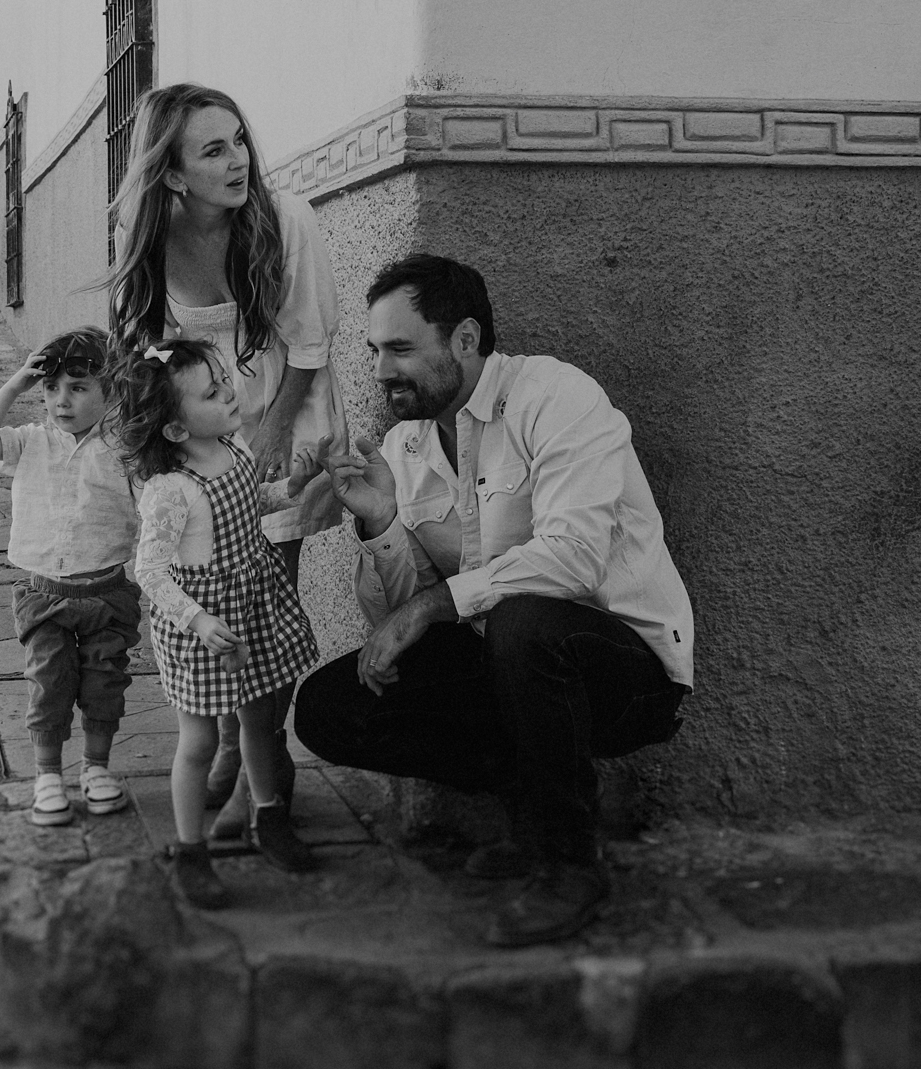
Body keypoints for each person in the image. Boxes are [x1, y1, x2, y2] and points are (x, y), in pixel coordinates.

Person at [294, 254, 693, 948]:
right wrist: (382, 524)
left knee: (522, 620)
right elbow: (399, 619)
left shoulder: (555, 397)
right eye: (374, 350)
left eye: (399, 349)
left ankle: (570, 867)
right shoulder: (405, 444)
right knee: (331, 707)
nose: (382, 369)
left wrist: (429, 607)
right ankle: (536, 807)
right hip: (509, 670)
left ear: (466, 340)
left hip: (620, 674)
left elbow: (572, 558)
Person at [109, 83, 347, 832]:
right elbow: (139, 348)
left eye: (238, 139)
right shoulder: (143, 231)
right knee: (202, 596)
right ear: (173, 173)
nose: (238, 160)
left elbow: (308, 342)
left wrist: (271, 438)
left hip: (283, 411)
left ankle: (258, 771)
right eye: (214, 149)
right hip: (197, 430)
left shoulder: (286, 221)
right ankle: (222, 752)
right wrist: (149, 456)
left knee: (263, 603)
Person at [110, 338, 322, 909]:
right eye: (212, 391)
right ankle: (189, 850)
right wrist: (199, 620)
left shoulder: (235, 447)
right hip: (198, 624)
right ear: (176, 431)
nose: (230, 391)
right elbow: (148, 570)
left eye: (223, 378)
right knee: (200, 740)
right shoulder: (170, 491)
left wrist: (292, 489)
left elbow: (250, 504)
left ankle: (268, 815)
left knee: (259, 719)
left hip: (252, 603)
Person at [0, 327, 140, 829]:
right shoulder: (27, 442)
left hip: (107, 592)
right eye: (51, 389)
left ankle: (96, 768)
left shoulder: (123, 450)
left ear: (110, 392)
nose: (61, 401)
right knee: (49, 683)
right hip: (44, 595)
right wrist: (15, 385)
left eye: (79, 388)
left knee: (105, 683)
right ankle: (47, 776)